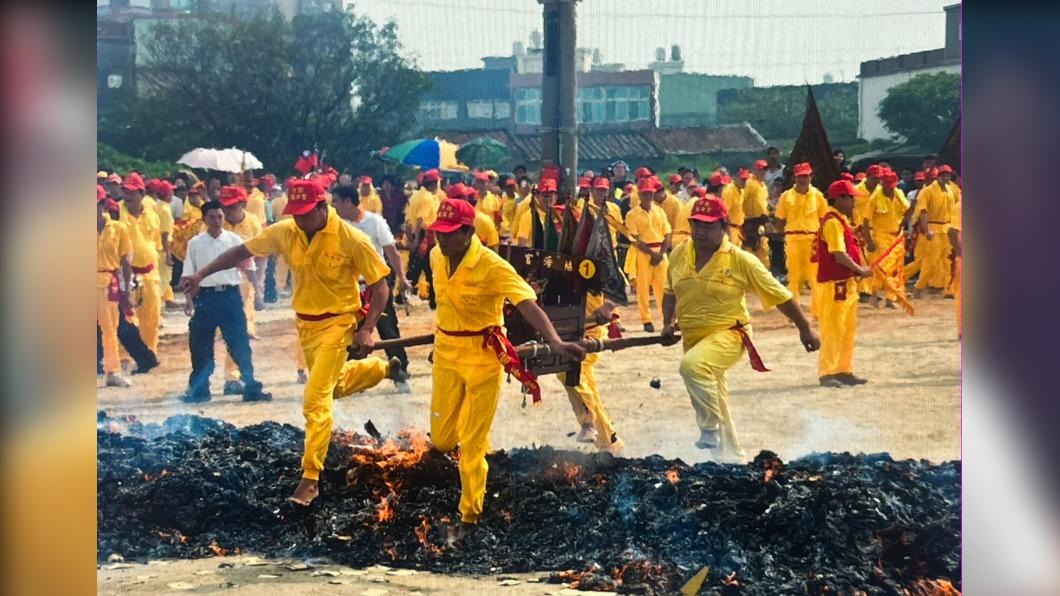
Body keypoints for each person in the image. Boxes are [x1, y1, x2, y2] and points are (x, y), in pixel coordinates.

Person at [180, 180, 397, 506]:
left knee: (315, 399)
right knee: (333, 387)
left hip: (339, 324)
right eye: (294, 214)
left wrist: (366, 329)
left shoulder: (352, 238)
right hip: (306, 326)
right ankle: (380, 369)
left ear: (323, 208)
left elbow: (381, 288)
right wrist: (201, 275)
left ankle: (311, 478)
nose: (298, 220)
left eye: (305, 214)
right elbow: (242, 251)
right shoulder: (286, 231)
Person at [426, 198, 585, 541]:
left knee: (471, 444)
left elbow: (528, 305)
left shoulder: (492, 265)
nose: (442, 240)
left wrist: (556, 342)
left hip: (483, 358)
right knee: (440, 440)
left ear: (469, 232)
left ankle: (469, 516)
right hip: (446, 355)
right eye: (438, 233)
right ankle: (473, 456)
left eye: (450, 234)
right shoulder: (436, 257)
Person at [661, 196, 818, 458]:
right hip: (693, 337)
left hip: (730, 334)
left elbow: (780, 295)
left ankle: (708, 429)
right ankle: (731, 458)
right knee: (715, 396)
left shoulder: (740, 260)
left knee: (692, 366)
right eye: (695, 224)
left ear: (723, 227)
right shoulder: (679, 254)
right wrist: (667, 323)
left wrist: (805, 328)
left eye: (708, 225)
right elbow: (669, 292)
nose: (700, 231)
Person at [180, 200, 272, 403]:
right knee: (201, 345)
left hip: (229, 296)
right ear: (204, 219)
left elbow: (250, 268)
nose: (217, 221)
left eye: (220, 216)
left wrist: (258, 293)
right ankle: (199, 390)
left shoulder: (234, 240)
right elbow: (188, 275)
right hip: (205, 297)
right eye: (212, 216)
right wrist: (188, 300)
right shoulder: (195, 243)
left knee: (239, 343)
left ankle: (251, 386)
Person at [331, 185, 412, 391]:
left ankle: (400, 372)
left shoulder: (374, 222)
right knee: (352, 334)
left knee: (389, 330)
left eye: (337, 202)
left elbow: (390, 251)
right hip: (351, 289)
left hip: (376, 286)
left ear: (348, 202)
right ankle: (356, 379)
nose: (335, 206)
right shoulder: (337, 224)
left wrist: (402, 277)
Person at [816, 180, 872, 388]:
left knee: (847, 329)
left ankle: (843, 368)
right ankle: (827, 372)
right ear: (839, 199)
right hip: (834, 283)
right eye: (850, 198)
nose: (853, 202)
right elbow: (838, 254)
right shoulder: (832, 222)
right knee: (833, 329)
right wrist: (860, 270)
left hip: (845, 282)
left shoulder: (841, 221)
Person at [118, 173, 164, 360]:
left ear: (142, 193)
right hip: (126, 273)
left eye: (132, 191)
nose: (127, 195)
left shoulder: (152, 215)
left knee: (151, 317)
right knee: (126, 318)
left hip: (150, 272)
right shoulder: (117, 215)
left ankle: (150, 354)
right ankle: (127, 357)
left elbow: (156, 243)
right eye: (125, 191)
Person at [774, 163, 828, 314]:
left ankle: (817, 312)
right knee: (794, 277)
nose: (803, 179)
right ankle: (795, 313)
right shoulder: (786, 196)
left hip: (813, 239)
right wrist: (783, 234)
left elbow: (824, 218)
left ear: (811, 177)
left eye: (806, 176)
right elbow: (779, 219)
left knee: (815, 276)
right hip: (793, 239)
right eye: (800, 176)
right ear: (794, 178)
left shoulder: (818, 195)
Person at [98, 185, 134, 388]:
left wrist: (126, 289)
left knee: (110, 329)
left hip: (107, 282)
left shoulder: (119, 228)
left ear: (103, 204)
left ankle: (112, 371)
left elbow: (126, 261)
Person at [625, 176, 672, 332]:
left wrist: (661, 253)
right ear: (639, 194)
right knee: (643, 288)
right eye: (644, 193)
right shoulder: (632, 214)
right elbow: (635, 240)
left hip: (660, 251)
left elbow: (667, 234)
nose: (647, 196)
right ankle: (646, 320)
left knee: (664, 287)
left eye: (650, 193)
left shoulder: (660, 211)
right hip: (643, 253)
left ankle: (667, 317)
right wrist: (652, 254)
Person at [862, 169, 911, 308]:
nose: (890, 188)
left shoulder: (899, 193)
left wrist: (908, 215)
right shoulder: (875, 198)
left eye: (892, 185)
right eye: (887, 185)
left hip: (897, 237)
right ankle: (874, 295)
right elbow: (866, 221)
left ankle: (890, 298)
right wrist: (869, 241)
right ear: (882, 183)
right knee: (881, 268)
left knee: (895, 268)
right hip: (881, 236)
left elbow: (906, 211)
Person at [913, 165, 958, 297]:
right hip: (933, 228)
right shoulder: (927, 191)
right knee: (931, 262)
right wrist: (927, 230)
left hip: (948, 229)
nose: (946, 177)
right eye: (943, 175)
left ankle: (949, 290)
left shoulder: (950, 190)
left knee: (948, 261)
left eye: (948, 175)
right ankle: (918, 289)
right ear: (938, 176)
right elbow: (923, 211)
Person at [405, 169, 444, 309]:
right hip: (425, 236)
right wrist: (416, 240)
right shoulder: (427, 198)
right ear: (434, 184)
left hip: (418, 234)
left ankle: (402, 296)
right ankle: (433, 300)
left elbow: (408, 219)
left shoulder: (416, 195)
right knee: (430, 269)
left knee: (416, 267)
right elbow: (421, 219)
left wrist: (411, 238)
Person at [742, 160, 771, 267]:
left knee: (763, 248)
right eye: (759, 169)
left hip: (761, 221)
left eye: (764, 170)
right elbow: (741, 200)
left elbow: (764, 203)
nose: (762, 172)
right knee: (749, 250)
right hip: (749, 221)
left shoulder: (763, 185)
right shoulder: (749, 182)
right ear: (754, 169)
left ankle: (764, 272)